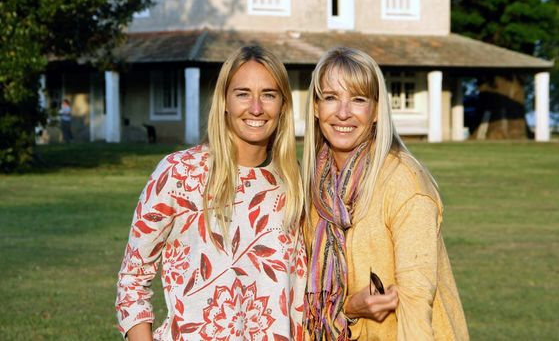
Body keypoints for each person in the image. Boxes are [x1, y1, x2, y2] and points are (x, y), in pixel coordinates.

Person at [116, 46, 307, 340]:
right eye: (243, 94)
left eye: (269, 94)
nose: (256, 108)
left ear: (283, 105)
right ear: (225, 102)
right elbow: (132, 278)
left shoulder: (294, 182)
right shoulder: (179, 173)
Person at [303, 47, 468, 340]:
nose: (343, 112)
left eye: (358, 99)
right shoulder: (313, 189)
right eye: (330, 97)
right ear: (316, 107)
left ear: (377, 110)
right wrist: (349, 308)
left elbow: (416, 300)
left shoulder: (404, 182)